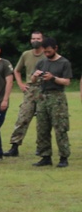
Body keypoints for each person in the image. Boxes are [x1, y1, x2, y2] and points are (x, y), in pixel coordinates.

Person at [31, 37, 71, 168]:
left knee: (60, 128)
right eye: (45, 52)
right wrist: (36, 75)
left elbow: (66, 82)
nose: (47, 54)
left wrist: (53, 78)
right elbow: (33, 80)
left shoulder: (64, 62)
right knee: (42, 128)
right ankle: (45, 156)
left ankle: (63, 157)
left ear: (55, 48)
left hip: (57, 97)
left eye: (49, 51)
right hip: (43, 97)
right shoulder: (42, 63)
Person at [7, 31, 45, 158]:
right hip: (30, 89)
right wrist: (21, 84)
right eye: (33, 38)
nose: (35, 40)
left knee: (43, 120)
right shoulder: (26, 54)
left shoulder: (47, 54)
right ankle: (14, 146)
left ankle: (42, 147)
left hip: (44, 89)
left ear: (42, 40)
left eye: (38, 38)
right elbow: (16, 70)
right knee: (23, 117)